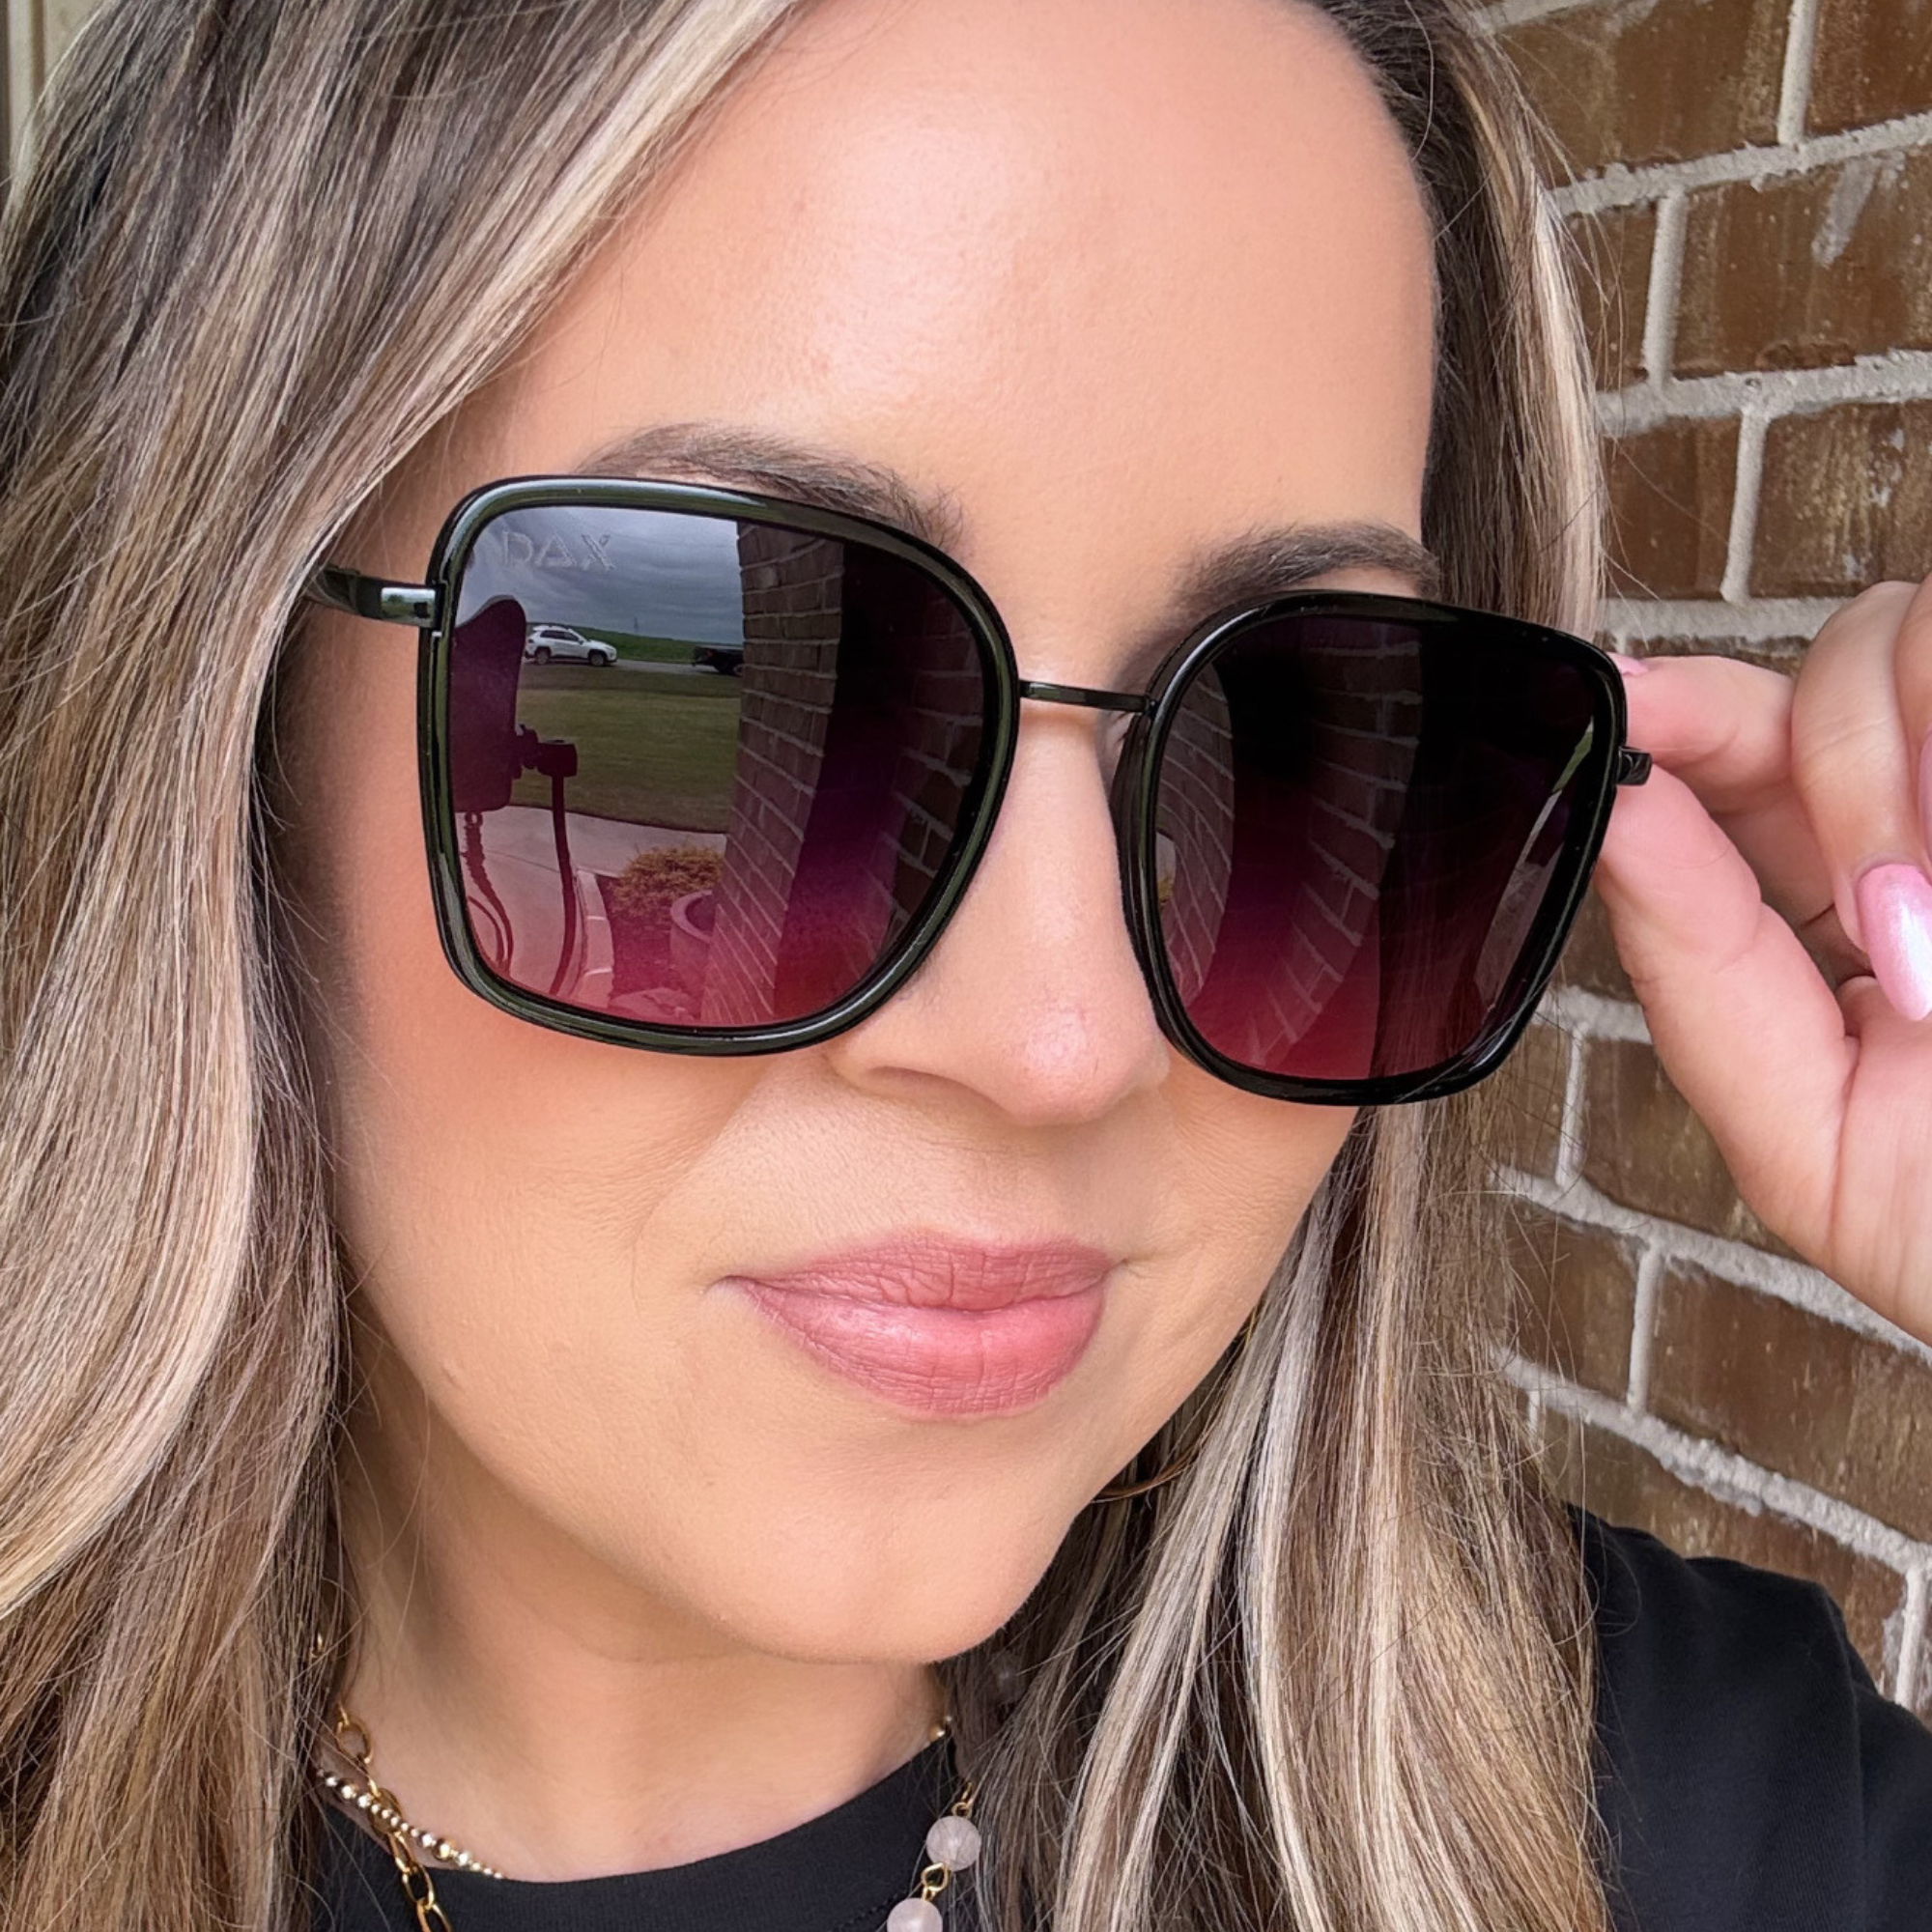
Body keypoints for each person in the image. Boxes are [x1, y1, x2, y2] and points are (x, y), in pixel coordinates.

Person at [2, 0, 1929, 1927]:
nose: (1062, 1038)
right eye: (722, 685)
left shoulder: (1725, 1820)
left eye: (1301, 732)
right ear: (220, 733)